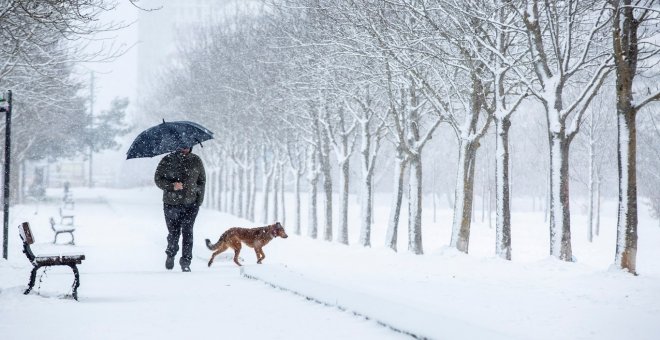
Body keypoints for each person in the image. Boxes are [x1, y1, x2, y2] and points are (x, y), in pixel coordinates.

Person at [154, 146, 206, 272]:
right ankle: (171, 253)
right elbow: (158, 179)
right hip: (171, 203)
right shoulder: (167, 160)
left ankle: (186, 262)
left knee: (188, 232)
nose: (185, 148)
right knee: (174, 233)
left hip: (191, 204)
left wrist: (198, 201)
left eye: (188, 146)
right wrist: (172, 186)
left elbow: (202, 181)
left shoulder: (196, 160)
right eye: (182, 146)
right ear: (176, 146)